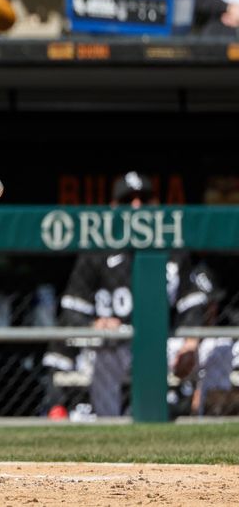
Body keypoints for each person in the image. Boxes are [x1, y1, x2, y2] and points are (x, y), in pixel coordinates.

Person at [51, 171, 233, 418]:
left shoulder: (173, 249)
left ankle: (208, 421)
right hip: (120, 344)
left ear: (155, 205)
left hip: (167, 343)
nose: (137, 206)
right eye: (128, 201)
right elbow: (71, 312)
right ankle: (108, 427)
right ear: (114, 207)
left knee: (220, 347)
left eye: (144, 200)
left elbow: (193, 303)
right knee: (104, 350)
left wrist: (191, 342)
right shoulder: (96, 253)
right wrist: (96, 324)